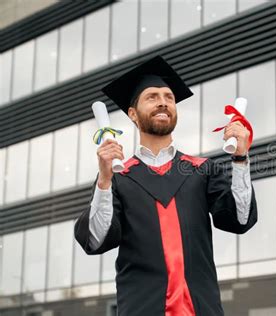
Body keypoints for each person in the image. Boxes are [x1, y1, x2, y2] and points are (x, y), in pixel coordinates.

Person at [74, 55, 258, 316]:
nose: (162, 101)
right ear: (133, 114)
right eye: (152, 96)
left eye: (168, 97)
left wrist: (240, 159)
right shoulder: (119, 176)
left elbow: (239, 220)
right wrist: (104, 180)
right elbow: (95, 239)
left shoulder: (201, 169)